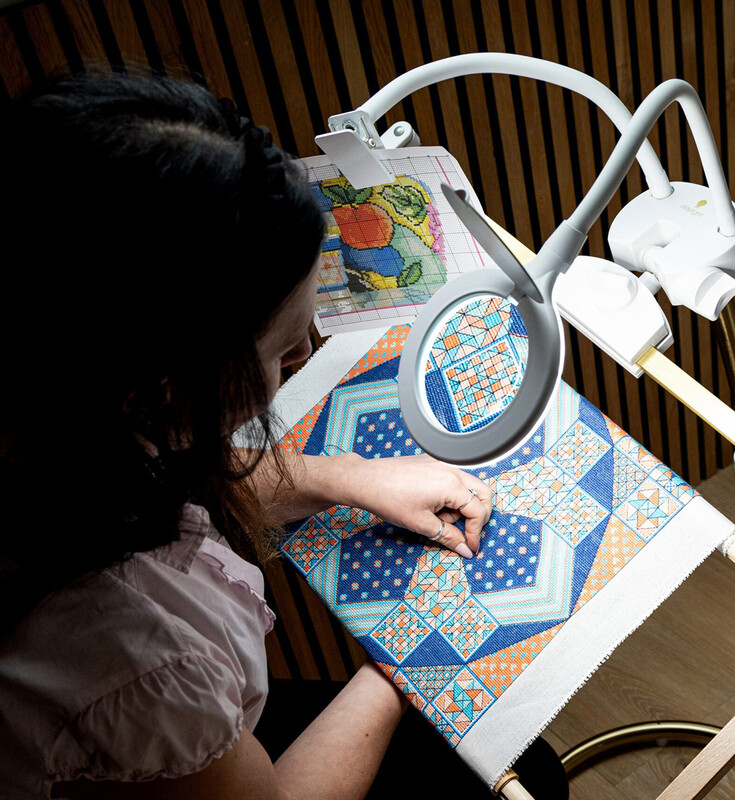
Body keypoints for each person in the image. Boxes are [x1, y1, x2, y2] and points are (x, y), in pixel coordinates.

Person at [0, 72, 500, 799]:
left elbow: (155, 474)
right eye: (283, 353)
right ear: (157, 391)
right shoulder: (137, 657)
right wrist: (403, 662)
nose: (300, 364)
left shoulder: (54, 399)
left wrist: (340, 476)